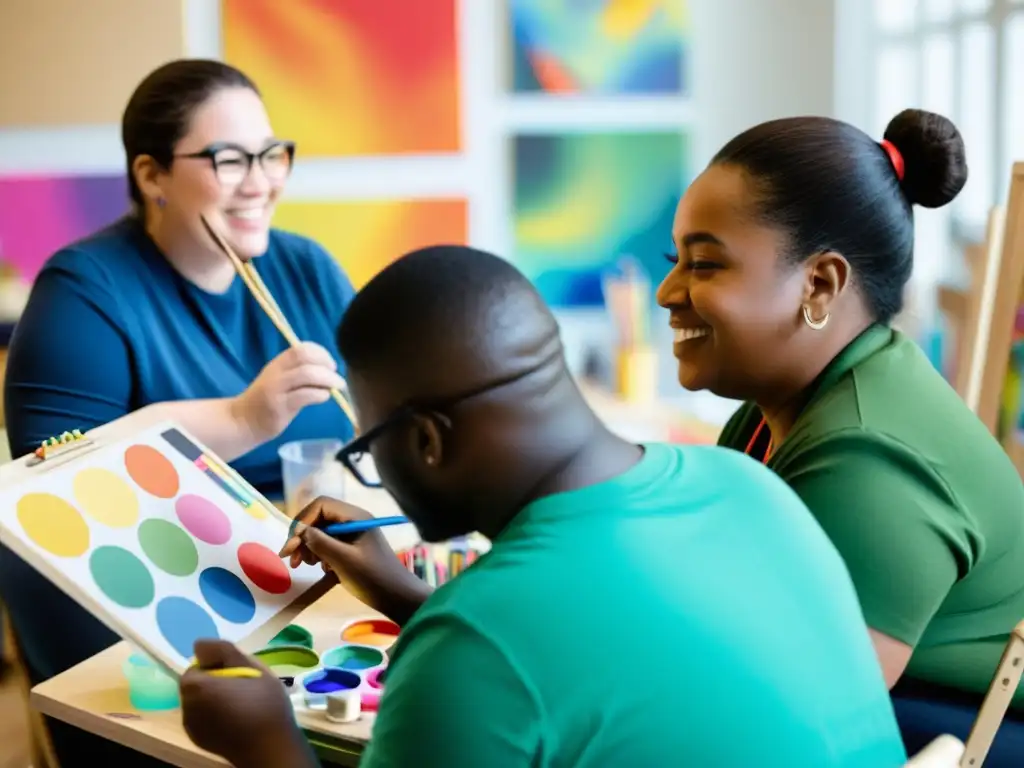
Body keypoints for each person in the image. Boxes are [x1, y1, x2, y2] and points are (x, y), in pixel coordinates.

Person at [178, 245, 907, 767]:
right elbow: (606, 656)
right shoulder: (745, 484)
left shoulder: (472, 647)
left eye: (368, 446)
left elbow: (516, 649)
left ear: (426, 440)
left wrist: (267, 744)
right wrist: (406, 596)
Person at [0, 59, 354, 765]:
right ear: (151, 176)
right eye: (227, 159)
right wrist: (243, 418)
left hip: (281, 574)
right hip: (131, 585)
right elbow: (50, 475)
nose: (260, 181)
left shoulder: (304, 268)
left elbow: (369, 430)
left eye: (269, 154)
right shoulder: (86, 288)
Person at [655, 108, 1024, 757]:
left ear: (820, 284)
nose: (665, 292)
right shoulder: (777, 409)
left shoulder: (868, 452)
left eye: (704, 266)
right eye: (674, 261)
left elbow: (809, 711)